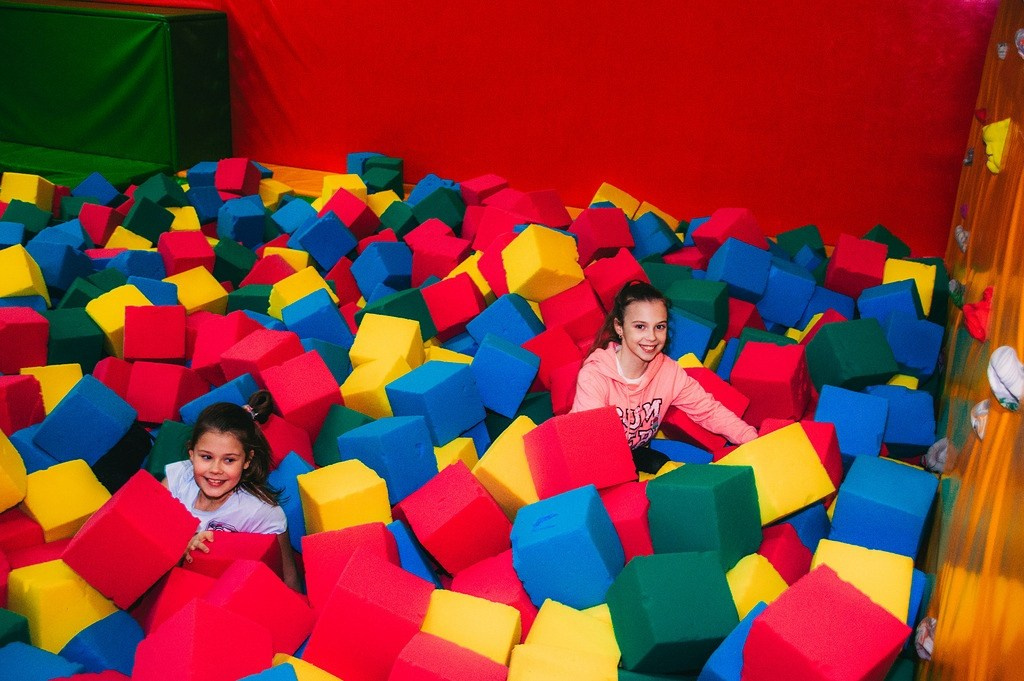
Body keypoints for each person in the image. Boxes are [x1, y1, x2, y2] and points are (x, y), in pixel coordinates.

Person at [572, 280, 758, 473]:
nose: (651, 337)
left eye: (659, 327)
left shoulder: (669, 373)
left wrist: (750, 438)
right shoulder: (595, 376)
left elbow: (709, 411)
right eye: (640, 327)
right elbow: (589, 443)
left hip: (633, 451)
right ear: (619, 327)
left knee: (664, 467)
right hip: (590, 455)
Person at [162, 390, 300, 591]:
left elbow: (288, 579)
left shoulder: (262, 513)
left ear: (247, 461)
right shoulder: (178, 479)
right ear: (191, 453)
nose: (216, 470)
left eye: (229, 460)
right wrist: (180, 544)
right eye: (206, 457)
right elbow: (142, 532)